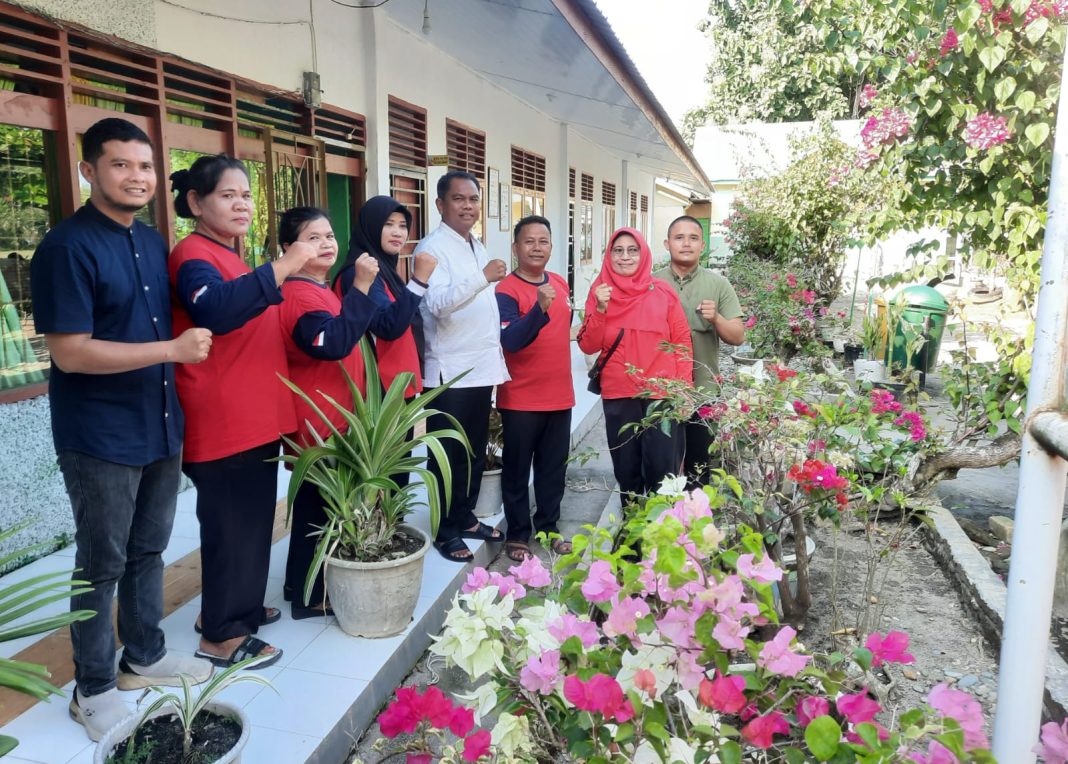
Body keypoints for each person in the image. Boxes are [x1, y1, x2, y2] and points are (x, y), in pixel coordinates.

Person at [29, 117, 214, 740]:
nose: (137, 177)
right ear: (88, 171)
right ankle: (94, 687)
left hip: (157, 422)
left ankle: (144, 656)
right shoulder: (66, 247)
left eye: (145, 166)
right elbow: (70, 352)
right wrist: (170, 351)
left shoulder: (149, 241)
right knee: (100, 562)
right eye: (120, 165)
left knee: (149, 550)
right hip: (99, 434)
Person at [169, 154, 317, 669]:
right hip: (224, 418)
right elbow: (216, 310)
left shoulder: (229, 254)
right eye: (227, 195)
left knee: (253, 522)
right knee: (231, 525)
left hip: (255, 414)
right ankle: (221, 635)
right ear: (195, 202)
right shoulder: (192, 254)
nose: (241, 204)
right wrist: (286, 263)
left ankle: (237, 610)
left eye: (247, 195)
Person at [276, 207, 380, 618]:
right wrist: (362, 287)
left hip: (331, 416)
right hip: (320, 420)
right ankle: (310, 596)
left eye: (329, 235)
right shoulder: (300, 294)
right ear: (288, 247)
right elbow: (330, 342)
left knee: (313, 507)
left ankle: (297, 586)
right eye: (312, 237)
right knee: (318, 508)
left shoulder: (317, 288)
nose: (326, 243)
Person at [418, 170, 508, 562]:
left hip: (480, 367)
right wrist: (481, 278)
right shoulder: (432, 247)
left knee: (472, 450)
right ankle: (444, 530)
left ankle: (465, 516)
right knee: (447, 454)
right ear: (440, 205)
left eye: (473, 199)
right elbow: (436, 304)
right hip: (450, 372)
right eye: (459, 199)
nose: (468, 206)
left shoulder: (475, 244)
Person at [577, 227, 693, 496]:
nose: (625, 257)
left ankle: (661, 531)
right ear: (609, 255)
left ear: (643, 254)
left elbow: (682, 343)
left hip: (662, 394)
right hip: (620, 395)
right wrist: (602, 310)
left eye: (632, 250)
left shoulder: (662, 292)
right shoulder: (600, 292)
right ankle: (632, 530)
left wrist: (684, 390)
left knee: (664, 470)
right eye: (618, 251)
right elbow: (588, 344)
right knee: (626, 469)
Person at [334, 196, 437, 488]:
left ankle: (390, 530)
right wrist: (419, 281)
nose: (398, 232)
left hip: (395, 387)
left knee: (395, 472)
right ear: (370, 227)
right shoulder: (360, 272)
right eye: (388, 224)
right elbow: (388, 325)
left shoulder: (385, 270)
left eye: (403, 225)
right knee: (382, 476)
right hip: (376, 392)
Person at [495, 216, 575, 562]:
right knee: (516, 469)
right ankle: (517, 534)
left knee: (553, 469)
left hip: (559, 394)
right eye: (529, 241)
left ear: (552, 247)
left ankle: (549, 527)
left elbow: (565, 328)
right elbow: (510, 340)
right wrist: (538, 309)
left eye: (543, 241)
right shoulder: (506, 290)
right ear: (515, 248)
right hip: (521, 398)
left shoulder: (559, 283)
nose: (537, 247)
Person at [653, 215, 744, 480]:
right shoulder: (650, 284)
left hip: (703, 391)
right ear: (667, 243)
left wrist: (716, 318)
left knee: (698, 468)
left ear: (702, 245)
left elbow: (737, 337)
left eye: (693, 238)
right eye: (679, 237)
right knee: (660, 467)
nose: (686, 244)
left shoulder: (718, 285)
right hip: (659, 391)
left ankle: (696, 519)